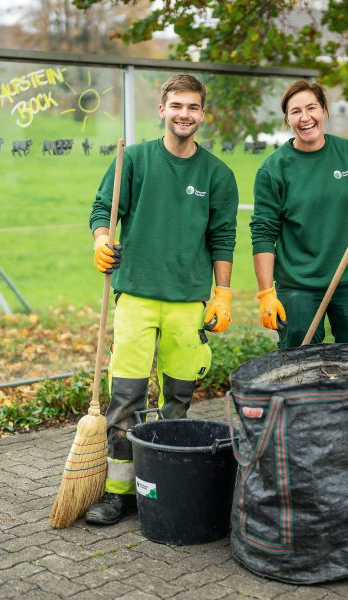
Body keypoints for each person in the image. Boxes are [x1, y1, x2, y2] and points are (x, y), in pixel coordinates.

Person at [86, 74, 239, 525]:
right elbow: (102, 209)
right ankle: (119, 493)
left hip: (188, 302)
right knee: (126, 398)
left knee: (178, 400)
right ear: (162, 109)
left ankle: (167, 484)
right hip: (135, 296)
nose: (184, 114)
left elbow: (223, 238)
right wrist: (101, 238)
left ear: (202, 114)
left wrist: (223, 294)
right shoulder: (134, 161)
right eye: (177, 106)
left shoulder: (217, 175)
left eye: (193, 107)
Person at [250, 80, 348, 348]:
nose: (305, 117)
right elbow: (263, 234)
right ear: (287, 119)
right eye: (295, 112)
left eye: (311, 108)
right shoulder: (274, 170)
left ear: (324, 110)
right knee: (299, 366)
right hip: (298, 287)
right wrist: (266, 294)